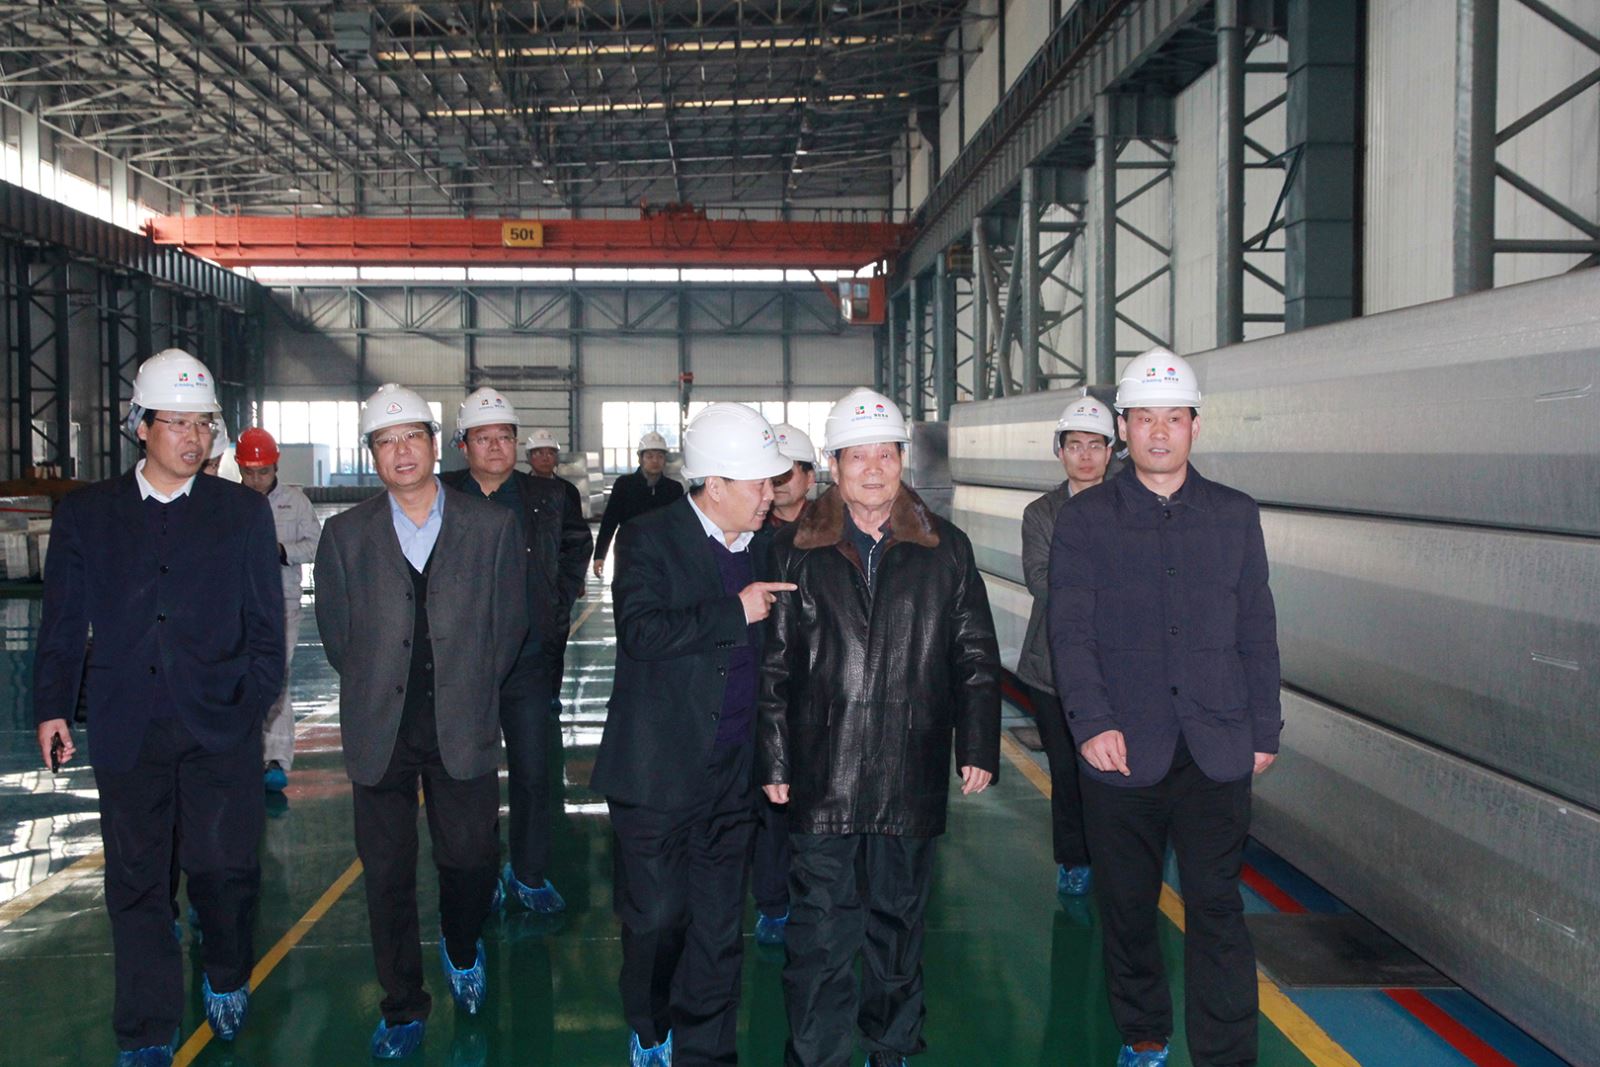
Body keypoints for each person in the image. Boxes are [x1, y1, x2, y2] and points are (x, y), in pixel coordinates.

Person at [33, 349, 284, 1067]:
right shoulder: (87, 515)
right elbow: (62, 622)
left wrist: (248, 705)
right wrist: (53, 708)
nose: (193, 438)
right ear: (140, 426)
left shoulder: (242, 512)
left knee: (224, 869)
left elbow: (267, 629)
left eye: (203, 424)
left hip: (219, 726)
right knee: (137, 882)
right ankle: (145, 1028)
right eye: (176, 423)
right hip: (128, 724)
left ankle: (226, 970)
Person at [1049, 349, 1282, 1067]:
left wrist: (1265, 728)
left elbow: (1257, 627)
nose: (1158, 432)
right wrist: (1092, 724)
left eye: (1173, 418)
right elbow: (1070, 631)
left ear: (1194, 426)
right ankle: (1144, 1029)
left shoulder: (1235, 515)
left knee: (1217, 907)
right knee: (1127, 904)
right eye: (1144, 419)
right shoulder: (1085, 520)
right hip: (1122, 746)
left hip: (1217, 744)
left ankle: (1227, 1054)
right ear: (1123, 428)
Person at [759, 387, 1001, 1067]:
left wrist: (977, 743)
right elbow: (774, 664)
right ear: (834, 465)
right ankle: (819, 1053)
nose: (873, 469)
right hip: (821, 767)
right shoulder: (794, 549)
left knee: (899, 920)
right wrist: (775, 759)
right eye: (857, 456)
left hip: (907, 761)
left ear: (902, 461)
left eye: (885, 455)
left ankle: (890, 1044)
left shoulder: (946, 548)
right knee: (821, 927)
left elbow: (975, 654)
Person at [313, 383, 528, 1060]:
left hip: (462, 721)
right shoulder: (345, 535)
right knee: (386, 873)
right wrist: (380, 681)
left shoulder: (490, 528)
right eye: (386, 440)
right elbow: (337, 634)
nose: (401, 451)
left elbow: (508, 626)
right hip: (380, 728)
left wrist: (470, 682)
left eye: (413, 436)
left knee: (470, 859)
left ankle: (461, 945)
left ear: (436, 446)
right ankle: (403, 1002)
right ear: (372, 454)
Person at [590, 403, 795, 1067]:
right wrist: (735, 610)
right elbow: (641, 631)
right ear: (716, 484)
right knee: (657, 919)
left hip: (732, 772)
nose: (770, 495)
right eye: (759, 484)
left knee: (716, 929)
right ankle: (651, 1025)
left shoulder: (764, 545)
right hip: (656, 771)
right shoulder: (649, 537)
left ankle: (707, 1052)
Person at [441, 388, 587, 914]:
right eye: (484, 438)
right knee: (468, 778)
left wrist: (556, 599)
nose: (496, 446)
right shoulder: (441, 495)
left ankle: (529, 873)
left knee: (533, 771)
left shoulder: (548, 496)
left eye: (504, 436)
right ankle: (480, 874)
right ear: (464, 445)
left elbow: (576, 546)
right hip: (462, 662)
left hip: (527, 658)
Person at [1017, 393, 1115, 897]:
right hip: (1052, 667)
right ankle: (1074, 859)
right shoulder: (1041, 513)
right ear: (1060, 451)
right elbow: (1041, 580)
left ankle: (1115, 858)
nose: (1085, 455)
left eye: (1095, 445)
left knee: (1116, 770)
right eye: (1075, 445)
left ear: (1111, 451)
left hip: (1119, 666)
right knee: (1068, 768)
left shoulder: (1132, 506)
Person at [748, 421, 819, 949]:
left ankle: (818, 896)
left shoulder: (837, 533)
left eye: (787, 472)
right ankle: (772, 902)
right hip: (766, 681)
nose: (777, 483)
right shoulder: (750, 535)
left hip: (821, 686)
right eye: (768, 473)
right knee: (771, 794)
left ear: (811, 477)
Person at [235, 427, 322, 793]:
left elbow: (317, 545)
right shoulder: (229, 502)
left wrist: (283, 551)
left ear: (276, 466)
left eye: (263, 472)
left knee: (276, 678)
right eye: (249, 472)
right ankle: (242, 752)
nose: (256, 480)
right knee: (237, 676)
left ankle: (276, 759)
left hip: (282, 604)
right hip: (237, 605)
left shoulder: (295, 502)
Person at [524, 426, 594, 713]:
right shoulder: (518, 489)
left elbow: (576, 536)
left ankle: (551, 693)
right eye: (539, 453)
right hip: (525, 578)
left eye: (550, 452)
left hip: (556, 579)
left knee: (555, 639)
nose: (545, 457)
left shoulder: (567, 491)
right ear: (529, 457)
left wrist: (576, 578)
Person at [593, 430, 682, 578]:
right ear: (640, 459)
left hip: (662, 555)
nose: (655, 461)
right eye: (650, 456)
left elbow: (679, 526)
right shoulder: (624, 485)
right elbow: (609, 521)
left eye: (660, 456)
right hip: (630, 553)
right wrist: (600, 555)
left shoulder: (674, 489)